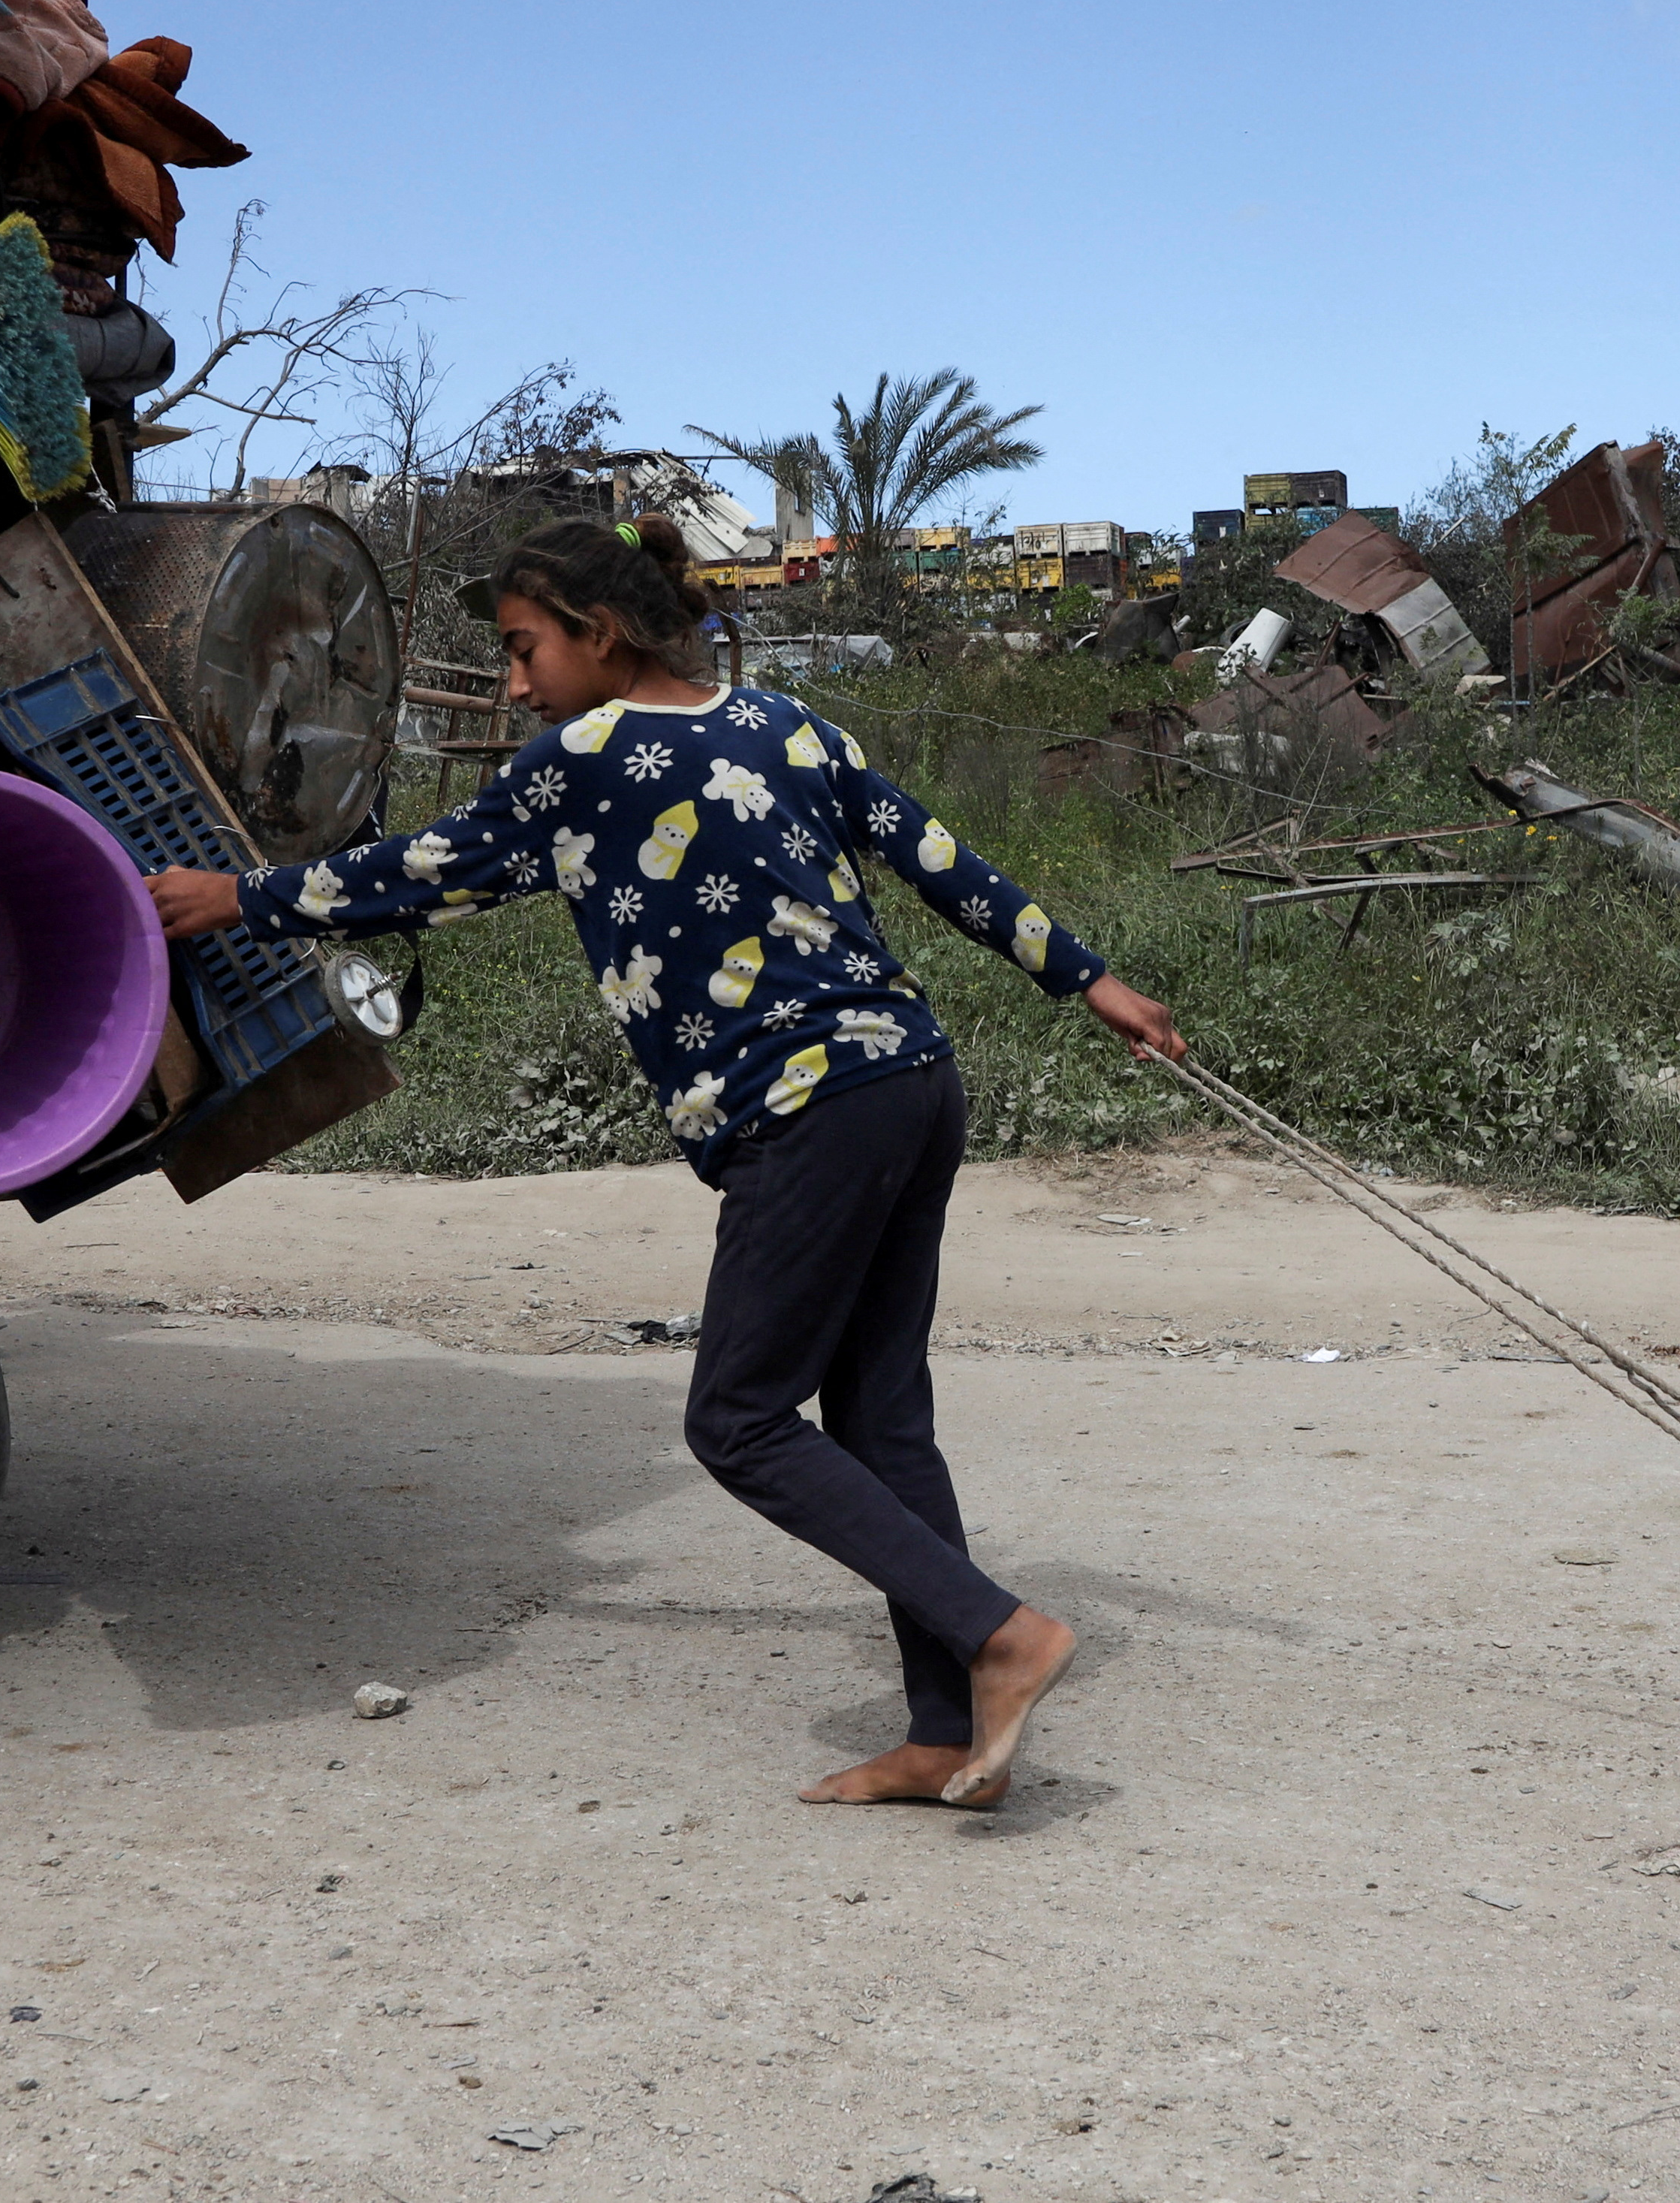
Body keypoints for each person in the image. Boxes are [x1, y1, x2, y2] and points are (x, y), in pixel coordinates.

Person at [151, 515, 1184, 1810]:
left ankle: (1003, 1634)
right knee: (878, 1418)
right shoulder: (792, 727)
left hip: (806, 1106)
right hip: (914, 1083)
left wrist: (237, 898)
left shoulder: (583, 759)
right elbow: (942, 865)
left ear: (603, 634)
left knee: (738, 1420)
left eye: (527, 651)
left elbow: (424, 874)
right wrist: (1095, 985)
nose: (517, 685)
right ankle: (939, 1730)